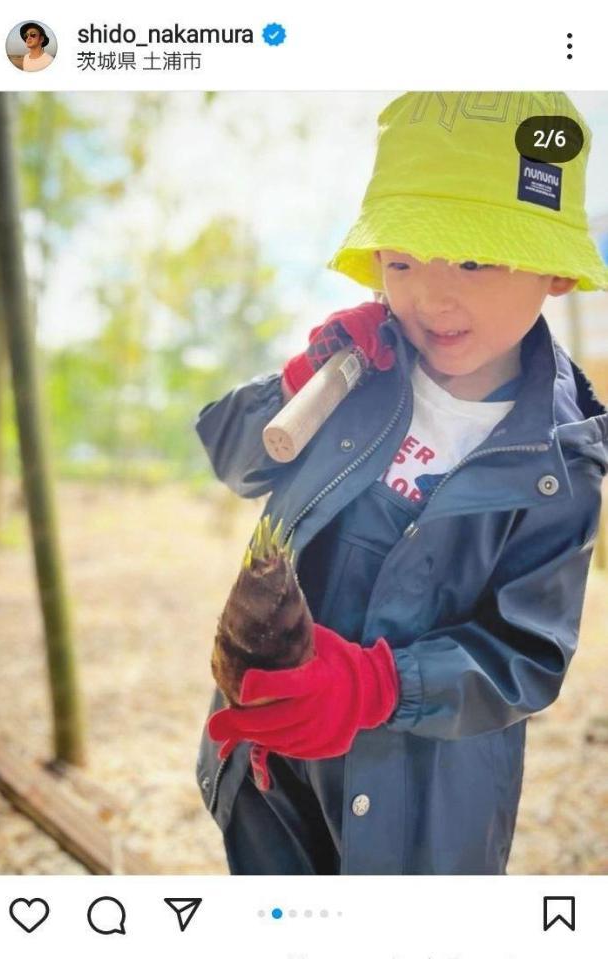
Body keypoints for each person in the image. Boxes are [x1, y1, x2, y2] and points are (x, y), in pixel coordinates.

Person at [195, 91, 608, 875]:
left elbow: (525, 654)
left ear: (554, 270)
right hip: (270, 767)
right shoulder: (354, 375)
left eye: (476, 259)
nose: (429, 296)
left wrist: (376, 686)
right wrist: (296, 379)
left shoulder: (562, 462)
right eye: (402, 260)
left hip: (423, 806)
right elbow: (232, 457)